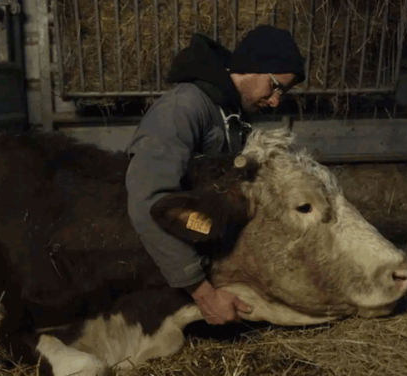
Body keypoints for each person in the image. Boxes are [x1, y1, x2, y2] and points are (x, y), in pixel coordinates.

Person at [125, 25, 305, 325]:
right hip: (156, 257)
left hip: (198, 240)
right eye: (275, 86)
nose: (275, 101)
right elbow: (148, 201)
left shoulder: (231, 111)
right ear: (253, 66)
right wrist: (204, 294)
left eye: (281, 92)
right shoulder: (183, 108)